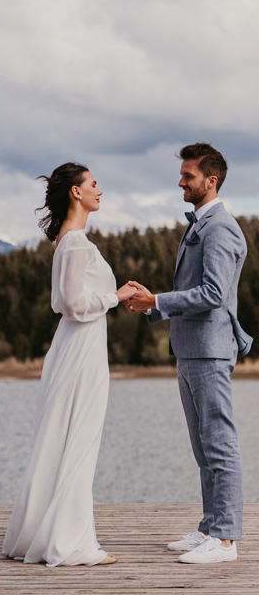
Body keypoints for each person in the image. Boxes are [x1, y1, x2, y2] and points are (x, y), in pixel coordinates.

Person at [2, 162, 136, 567]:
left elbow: (60, 303)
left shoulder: (67, 241)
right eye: (94, 184)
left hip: (74, 347)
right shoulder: (76, 243)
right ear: (76, 193)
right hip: (82, 350)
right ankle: (69, 540)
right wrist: (117, 295)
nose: (100, 190)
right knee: (78, 439)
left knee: (63, 436)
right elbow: (74, 305)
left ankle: (47, 531)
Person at [125, 143, 253, 564]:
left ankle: (227, 540)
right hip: (191, 350)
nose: (180, 181)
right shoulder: (201, 224)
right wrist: (154, 304)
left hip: (211, 352)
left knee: (219, 444)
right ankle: (210, 529)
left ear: (210, 180)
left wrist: (157, 301)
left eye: (188, 176)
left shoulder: (221, 228)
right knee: (203, 447)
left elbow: (215, 294)